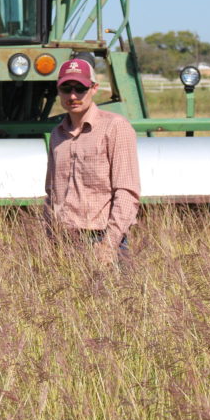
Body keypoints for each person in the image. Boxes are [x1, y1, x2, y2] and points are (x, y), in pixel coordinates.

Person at [44, 58, 140, 265]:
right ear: (58, 90)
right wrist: (51, 239)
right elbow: (51, 192)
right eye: (66, 88)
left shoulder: (115, 128)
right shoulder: (57, 135)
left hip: (102, 238)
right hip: (64, 242)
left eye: (80, 88)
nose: (72, 95)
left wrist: (108, 244)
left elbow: (127, 192)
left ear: (94, 88)